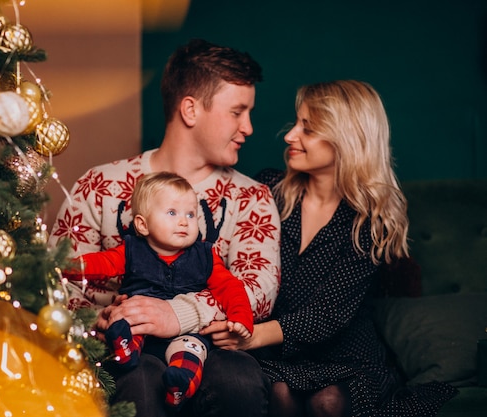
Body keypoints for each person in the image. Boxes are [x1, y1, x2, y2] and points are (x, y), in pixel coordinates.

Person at [48, 38, 280, 417]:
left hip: (211, 350)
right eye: (237, 112)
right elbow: (60, 277)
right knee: (138, 383)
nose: (249, 127)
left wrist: (178, 314)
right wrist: (101, 320)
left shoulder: (251, 198)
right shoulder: (99, 185)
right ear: (190, 109)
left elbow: (259, 289)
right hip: (128, 348)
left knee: (237, 382)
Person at [201, 80, 457, 417]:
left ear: (346, 139)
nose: (290, 136)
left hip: (344, 356)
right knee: (278, 392)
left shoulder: (371, 218)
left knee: (327, 401)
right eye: (296, 123)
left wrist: (250, 336)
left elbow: (329, 313)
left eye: (307, 128)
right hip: (276, 355)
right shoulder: (269, 190)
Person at [64, 171, 253, 409]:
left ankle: (179, 385)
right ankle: (124, 350)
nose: (184, 221)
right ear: (143, 225)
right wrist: (64, 265)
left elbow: (230, 287)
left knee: (191, 350)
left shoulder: (204, 256)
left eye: (191, 214)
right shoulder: (131, 250)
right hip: (140, 324)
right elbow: (100, 264)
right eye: (172, 213)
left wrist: (241, 318)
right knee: (127, 325)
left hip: (185, 333)